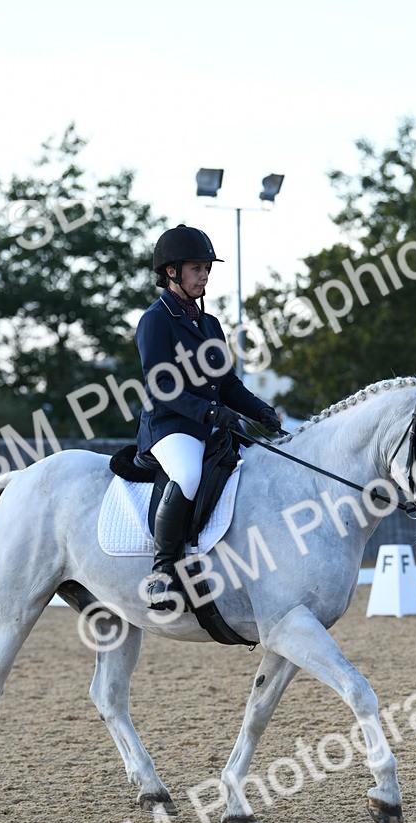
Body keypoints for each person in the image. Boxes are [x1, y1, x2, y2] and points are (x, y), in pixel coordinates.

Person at [135, 224, 282, 610]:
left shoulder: (209, 323)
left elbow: (228, 383)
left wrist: (260, 411)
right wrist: (211, 411)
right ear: (172, 272)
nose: (204, 275)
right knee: (187, 474)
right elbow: (161, 382)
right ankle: (162, 573)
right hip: (169, 426)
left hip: (208, 423)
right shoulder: (156, 319)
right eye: (197, 268)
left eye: (206, 268)